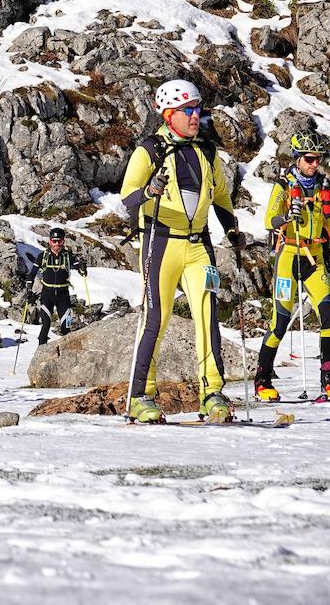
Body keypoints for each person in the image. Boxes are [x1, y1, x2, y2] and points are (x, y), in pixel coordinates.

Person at [120, 79, 246, 424]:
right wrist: (150, 189)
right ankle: (140, 396)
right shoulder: (149, 150)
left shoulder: (207, 151)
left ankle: (212, 392)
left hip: (198, 244)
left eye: (198, 109)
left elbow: (220, 196)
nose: (196, 116)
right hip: (161, 242)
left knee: (207, 317)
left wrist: (232, 229)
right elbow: (127, 196)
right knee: (156, 319)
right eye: (188, 110)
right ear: (168, 114)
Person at [254, 129, 330, 401]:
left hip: (315, 257)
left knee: (329, 316)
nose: (314, 164)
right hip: (289, 258)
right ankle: (262, 380)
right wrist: (285, 216)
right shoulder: (283, 186)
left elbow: (326, 224)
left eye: (318, 159)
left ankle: (329, 380)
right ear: (297, 159)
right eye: (309, 159)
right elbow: (268, 220)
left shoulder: (323, 186)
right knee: (280, 322)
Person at [27, 227, 87, 345]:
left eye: (59, 241)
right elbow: (32, 274)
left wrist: (82, 268)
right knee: (46, 325)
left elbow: (80, 270)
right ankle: (40, 354)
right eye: (54, 241)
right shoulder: (42, 256)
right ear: (49, 241)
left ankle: (67, 354)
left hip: (63, 296)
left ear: (63, 241)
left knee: (67, 327)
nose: (56, 244)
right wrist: (29, 290)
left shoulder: (68, 256)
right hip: (46, 295)